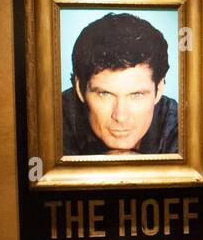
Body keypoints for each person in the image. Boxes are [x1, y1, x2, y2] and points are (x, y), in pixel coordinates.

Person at [61, 12, 179, 155]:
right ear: (80, 89)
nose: (120, 116)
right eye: (105, 94)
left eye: (136, 94)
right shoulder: (51, 123)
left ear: (159, 89)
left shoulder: (184, 128)